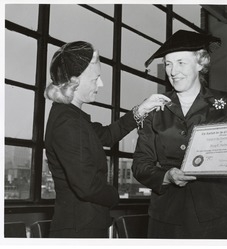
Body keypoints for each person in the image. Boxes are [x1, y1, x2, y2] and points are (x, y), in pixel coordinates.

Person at [132, 30, 227, 238]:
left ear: (200, 63)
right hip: (168, 217)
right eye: (168, 64)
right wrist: (167, 176)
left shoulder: (226, 103)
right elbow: (140, 165)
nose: (173, 71)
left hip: (220, 215)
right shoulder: (154, 108)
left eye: (181, 63)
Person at [44, 41, 170, 238]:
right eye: (96, 78)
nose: (100, 84)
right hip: (79, 232)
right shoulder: (67, 123)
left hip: (83, 226)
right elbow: (87, 187)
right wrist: (115, 196)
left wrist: (142, 109)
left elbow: (107, 135)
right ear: (75, 81)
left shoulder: (72, 117)